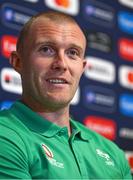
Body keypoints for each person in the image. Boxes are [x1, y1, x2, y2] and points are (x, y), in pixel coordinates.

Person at [0, 11, 132, 179]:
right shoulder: (4, 135)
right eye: (46, 49)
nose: (61, 64)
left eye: (72, 53)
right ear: (18, 62)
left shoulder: (112, 152)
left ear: (82, 68)